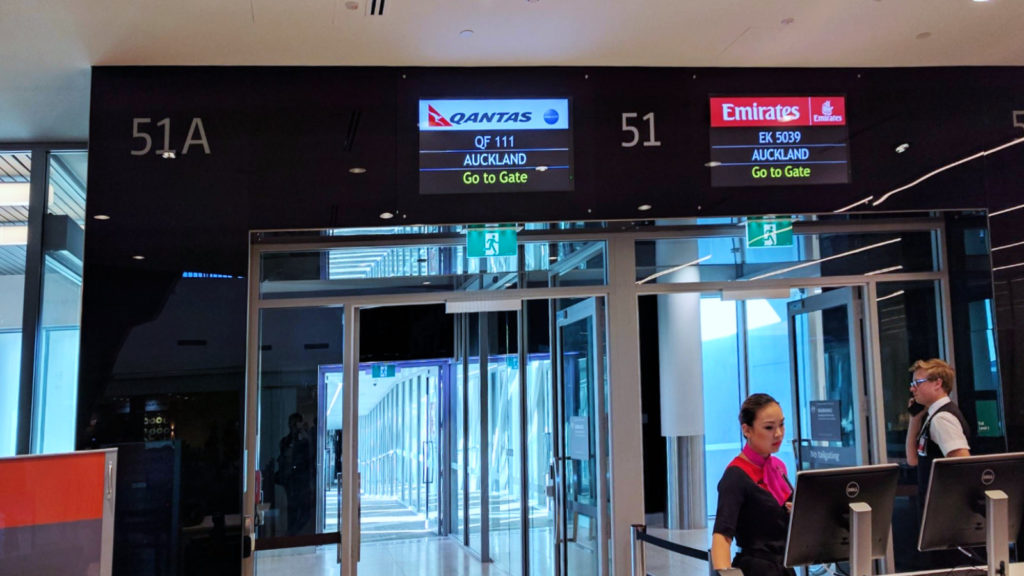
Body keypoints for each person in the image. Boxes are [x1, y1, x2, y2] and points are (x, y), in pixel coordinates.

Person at [711, 393, 795, 576]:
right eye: (769, 427)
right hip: (755, 570)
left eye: (781, 424)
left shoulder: (779, 468)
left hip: (784, 568)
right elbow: (722, 536)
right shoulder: (735, 475)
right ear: (746, 430)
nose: (778, 433)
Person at [904, 358, 970, 506]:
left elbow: (963, 465)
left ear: (937, 384)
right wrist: (915, 418)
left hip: (944, 507)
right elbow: (913, 460)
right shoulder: (933, 416)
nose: (912, 389)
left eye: (917, 383)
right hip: (934, 505)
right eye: (912, 384)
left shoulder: (942, 418)